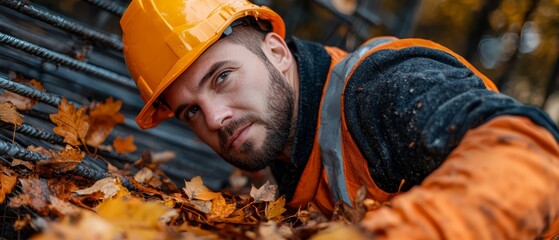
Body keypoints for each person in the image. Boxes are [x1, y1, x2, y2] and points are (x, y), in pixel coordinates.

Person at [120, 0, 559, 239]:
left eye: (222, 77)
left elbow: (532, 158)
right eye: (190, 111)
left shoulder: (381, 89)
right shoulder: (289, 154)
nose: (215, 118)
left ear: (275, 52)